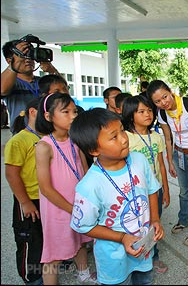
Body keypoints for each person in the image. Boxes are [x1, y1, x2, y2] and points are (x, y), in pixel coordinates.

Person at [69, 108, 164, 285]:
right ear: (94, 150)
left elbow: (152, 189)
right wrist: (122, 237)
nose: (124, 139)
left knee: (144, 279)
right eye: (114, 136)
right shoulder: (89, 186)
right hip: (114, 260)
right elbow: (83, 226)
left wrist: (155, 220)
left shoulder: (139, 160)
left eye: (122, 130)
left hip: (143, 249)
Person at [35, 92, 96, 285]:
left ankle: (84, 273)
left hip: (78, 203)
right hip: (58, 208)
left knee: (81, 240)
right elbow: (45, 188)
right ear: (48, 116)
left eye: (74, 111)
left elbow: (84, 170)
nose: (73, 116)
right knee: (54, 253)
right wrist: (72, 208)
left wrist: (88, 198)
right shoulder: (44, 147)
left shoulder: (75, 139)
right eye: (66, 112)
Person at [147, 80, 188, 246]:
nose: (163, 102)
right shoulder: (162, 113)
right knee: (183, 191)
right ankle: (184, 219)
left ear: (170, 91)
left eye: (165, 97)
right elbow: (168, 139)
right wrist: (170, 161)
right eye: (158, 101)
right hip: (179, 154)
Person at [121, 95, 170, 274]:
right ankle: (133, 256)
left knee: (154, 224)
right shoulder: (125, 137)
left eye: (149, 110)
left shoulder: (156, 136)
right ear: (130, 114)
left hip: (154, 190)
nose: (147, 114)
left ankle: (153, 256)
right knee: (135, 225)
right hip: (134, 193)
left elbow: (161, 164)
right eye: (141, 111)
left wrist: (165, 189)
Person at [4, 98, 43, 285]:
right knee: (30, 240)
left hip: (47, 199)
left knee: (44, 239)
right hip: (29, 200)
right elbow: (12, 175)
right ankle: (31, 278)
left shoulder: (48, 138)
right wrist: (25, 202)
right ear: (34, 112)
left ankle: (45, 272)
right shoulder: (19, 140)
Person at [1, 38, 59, 134]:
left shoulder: (42, 82)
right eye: (23, 56)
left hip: (48, 136)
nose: (28, 59)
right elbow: (2, 90)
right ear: (9, 61)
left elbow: (63, 92)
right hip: (22, 138)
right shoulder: (11, 83)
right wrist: (15, 64)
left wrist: (52, 71)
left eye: (30, 55)